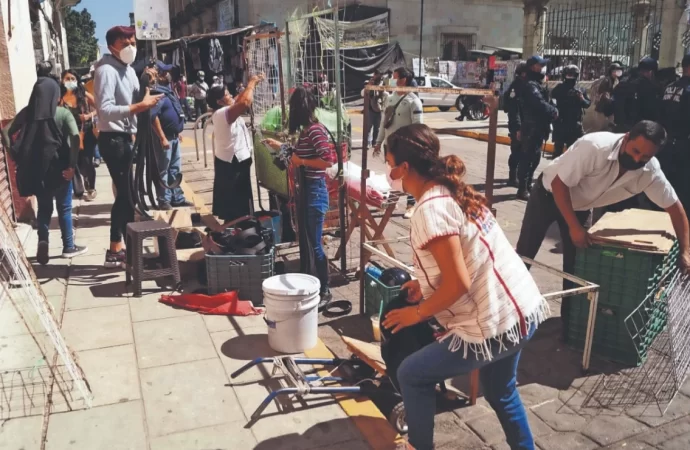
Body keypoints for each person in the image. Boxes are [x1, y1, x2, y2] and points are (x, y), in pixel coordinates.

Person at [381, 122, 545, 450]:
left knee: (412, 373)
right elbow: (467, 258)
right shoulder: (448, 189)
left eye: (390, 167)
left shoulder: (431, 208)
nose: (390, 174)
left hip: (496, 321)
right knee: (501, 389)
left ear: (405, 168)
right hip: (521, 310)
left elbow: (457, 283)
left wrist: (418, 312)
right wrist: (422, 284)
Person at [516, 121, 690, 336]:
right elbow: (559, 185)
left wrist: (685, 252)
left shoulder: (650, 172)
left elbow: (675, 209)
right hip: (548, 196)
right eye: (635, 151)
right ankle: (507, 312)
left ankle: (572, 327)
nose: (637, 159)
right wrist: (574, 227)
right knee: (525, 254)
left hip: (582, 206)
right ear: (626, 137)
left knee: (578, 268)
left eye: (644, 157)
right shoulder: (595, 147)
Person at [94, 25, 163, 268]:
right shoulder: (106, 71)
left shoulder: (127, 70)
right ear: (112, 45)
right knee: (126, 195)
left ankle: (123, 248)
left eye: (133, 43)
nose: (131, 48)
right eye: (126, 44)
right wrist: (139, 107)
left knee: (128, 195)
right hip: (113, 139)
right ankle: (115, 248)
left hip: (126, 138)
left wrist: (148, 83)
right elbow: (105, 110)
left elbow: (137, 96)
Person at [263, 86, 336, 309]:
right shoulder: (308, 130)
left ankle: (324, 289)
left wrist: (301, 161)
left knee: (315, 244)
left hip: (314, 191)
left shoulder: (314, 130)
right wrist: (281, 147)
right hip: (307, 190)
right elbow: (299, 155)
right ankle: (316, 283)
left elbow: (328, 160)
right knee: (309, 241)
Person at [16, 77, 89, 264]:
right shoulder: (62, 113)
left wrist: (16, 156)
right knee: (64, 208)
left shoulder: (27, 113)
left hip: (39, 172)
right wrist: (72, 165)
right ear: (56, 95)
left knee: (44, 209)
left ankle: (43, 240)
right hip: (61, 170)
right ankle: (68, 246)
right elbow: (74, 136)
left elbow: (8, 133)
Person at [207, 74, 264, 224]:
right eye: (226, 94)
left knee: (239, 206)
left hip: (234, 163)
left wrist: (252, 85)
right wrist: (251, 83)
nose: (231, 95)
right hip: (231, 165)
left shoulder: (226, 110)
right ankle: (236, 235)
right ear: (219, 101)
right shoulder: (221, 114)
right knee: (235, 209)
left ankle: (238, 230)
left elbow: (239, 99)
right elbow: (244, 102)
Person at [374, 67, 424, 219]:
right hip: (390, 146)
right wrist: (378, 142)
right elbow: (384, 122)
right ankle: (391, 202)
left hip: (405, 146)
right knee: (391, 174)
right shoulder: (390, 98)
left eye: (395, 78)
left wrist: (416, 146)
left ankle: (411, 205)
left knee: (408, 175)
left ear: (404, 80)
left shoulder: (413, 101)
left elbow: (418, 127)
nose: (392, 81)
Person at [151, 61, 192, 210]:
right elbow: (153, 117)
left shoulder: (168, 91)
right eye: (165, 72)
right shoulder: (157, 93)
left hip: (173, 136)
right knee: (164, 169)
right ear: (159, 75)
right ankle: (164, 200)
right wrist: (162, 137)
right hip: (165, 138)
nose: (168, 75)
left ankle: (177, 198)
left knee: (175, 169)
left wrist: (176, 132)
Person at [517, 55, 558, 200]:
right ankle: (522, 188)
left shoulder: (537, 83)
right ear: (533, 67)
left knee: (534, 158)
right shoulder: (530, 85)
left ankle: (528, 186)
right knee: (528, 158)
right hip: (531, 127)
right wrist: (553, 111)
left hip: (539, 127)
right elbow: (538, 103)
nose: (543, 68)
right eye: (540, 65)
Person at [59, 69, 99, 201]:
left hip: (85, 132)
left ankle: (91, 186)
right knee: (73, 161)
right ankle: (78, 189)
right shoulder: (60, 97)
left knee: (87, 161)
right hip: (68, 133)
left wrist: (89, 116)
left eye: (72, 79)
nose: (70, 81)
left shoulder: (84, 94)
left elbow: (100, 108)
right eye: (67, 79)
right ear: (62, 80)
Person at [658, 53, 690, 212]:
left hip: (666, 142)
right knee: (683, 188)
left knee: (668, 185)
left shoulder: (670, 87)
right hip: (684, 144)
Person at [550, 65, 591, 158]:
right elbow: (552, 102)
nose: (570, 77)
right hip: (560, 124)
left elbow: (587, 104)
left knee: (572, 153)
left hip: (574, 125)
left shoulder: (580, 89)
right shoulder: (559, 88)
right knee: (557, 153)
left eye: (572, 75)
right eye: (568, 74)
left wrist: (582, 99)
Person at [613, 57, 661, 133]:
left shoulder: (623, 83)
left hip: (619, 127)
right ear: (651, 72)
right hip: (638, 130)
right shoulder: (649, 86)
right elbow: (651, 111)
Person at [503, 63, 527, 187]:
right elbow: (513, 110)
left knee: (523, 152)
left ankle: (519, 177)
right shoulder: (516, 87)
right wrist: (518, 128)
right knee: (517, 152)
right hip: (517, 126)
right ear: (523, 73)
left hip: (525, 125)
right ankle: (513, 177)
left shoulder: (525, 85)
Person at [362, 70, 387, 147]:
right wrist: (370, 85)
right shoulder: (368, 82)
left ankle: (374, 143)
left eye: (380, 76)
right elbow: (363, 93)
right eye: (378, 75)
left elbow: (385, 95)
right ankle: (367, 143)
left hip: (379, 110)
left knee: (377, 128)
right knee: (368, 128)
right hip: (370, 109)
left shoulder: (382, 84)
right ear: (374, 75)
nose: (379, 78)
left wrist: (381, 89)